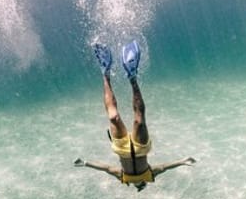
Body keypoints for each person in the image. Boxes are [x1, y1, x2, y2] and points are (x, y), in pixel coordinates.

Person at [74, 41, 196, 191]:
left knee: (113, 117)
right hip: (141, 148)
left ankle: (105, 72)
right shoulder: (150, 176)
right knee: (139, 120)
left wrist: (86, 163)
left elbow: (106, 168)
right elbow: (164, 167)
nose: (138, 184)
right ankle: (132, 77)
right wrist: (182, 161)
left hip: (121, 148)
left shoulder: (123, 178)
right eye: (141, 185)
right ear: (143, 184)